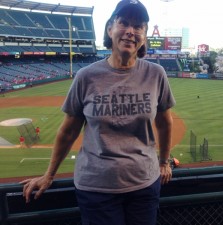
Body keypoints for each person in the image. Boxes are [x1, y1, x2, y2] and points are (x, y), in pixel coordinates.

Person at [21, 1, 176, 225]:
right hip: (96, 189)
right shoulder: (86, 76)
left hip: (144, 186)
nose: (130, 31)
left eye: (138, 26)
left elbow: (165, 122)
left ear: (144, 35)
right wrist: (50, 174)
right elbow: (68, 131)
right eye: (123, 23)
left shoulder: (156, 74)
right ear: (110, 29)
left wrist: (164, 162)